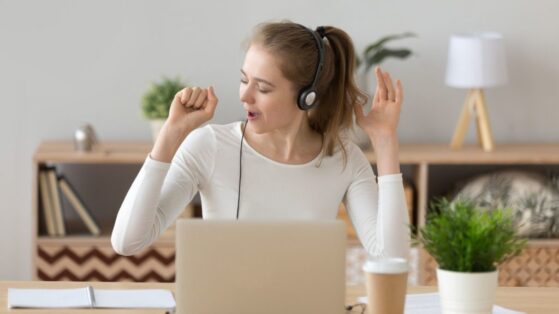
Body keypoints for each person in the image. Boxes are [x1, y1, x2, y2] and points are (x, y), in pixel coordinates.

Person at [111, 21, 410, 259]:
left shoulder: (343, 159)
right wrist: (171, 135)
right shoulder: (209, 146)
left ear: (307, 97)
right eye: (244, 80)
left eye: (263, 88)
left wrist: (385, 142)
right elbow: (128, 242)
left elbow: (392, 258)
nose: (244, 96)